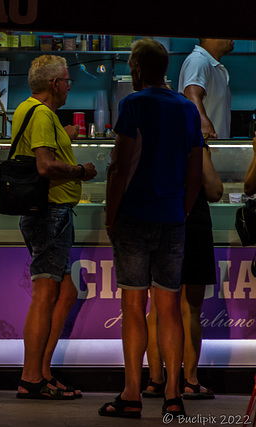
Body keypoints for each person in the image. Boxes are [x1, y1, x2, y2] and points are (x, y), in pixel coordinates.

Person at [99, 38, 203, 419]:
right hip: (173, 217)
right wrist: (183, 209)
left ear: (138, 69)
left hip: (135, 216)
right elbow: (195, 169)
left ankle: (131, 394)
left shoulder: (133, 104)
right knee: (170, 307)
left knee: (132, 306)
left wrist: (111, 216)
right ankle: (174, 397)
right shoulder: (187, 109)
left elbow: (119, 165)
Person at [142, 38, 229, 401]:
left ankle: (155, 379)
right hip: (190, 218)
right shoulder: (193, 130)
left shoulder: (148, 128)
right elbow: (213, 190)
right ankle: (189, 379)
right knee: (188, 305)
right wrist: (204, 140)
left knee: (157, 305)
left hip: (158, 215)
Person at [13, 55, 96, 401]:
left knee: (65, 292)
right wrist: (80, 172)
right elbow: (45, 166)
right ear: (53, 85)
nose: (68, 86)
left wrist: (64, 135)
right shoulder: (45, 114)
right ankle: (31, 376)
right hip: (50, 213)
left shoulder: (27, 109)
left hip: (49, 214)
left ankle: (43, 372)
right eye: (66, 80)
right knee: (45, 293)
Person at [177, 39, 233, 139]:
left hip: (213, 149)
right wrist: (203, 123)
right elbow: (191, 94)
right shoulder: (198, 60)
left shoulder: (211, 64)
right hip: (203, 149)